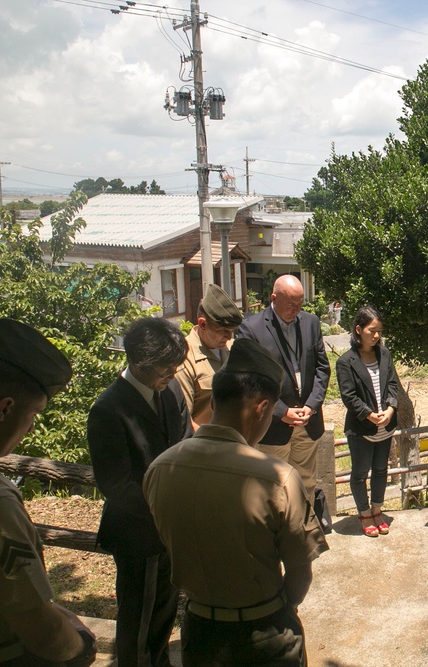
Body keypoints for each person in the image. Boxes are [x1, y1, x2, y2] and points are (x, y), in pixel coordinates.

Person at [144, 339, 328, 666]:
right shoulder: (276, 478)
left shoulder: (160, 469)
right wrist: (283, 609)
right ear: (261, 407)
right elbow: (301, 571)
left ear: (214, 400)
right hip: (265, 633)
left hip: (199, 632)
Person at [88, 317, 192, 667]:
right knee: (139, 615)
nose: (173, 375)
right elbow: (115, 484)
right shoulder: (107, 409)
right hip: (138, 531)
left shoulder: (172, 391)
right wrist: (164, 508)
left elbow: (184, 445)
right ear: (139, 363)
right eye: (167, 368)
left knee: (165, 609)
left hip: (172, 529)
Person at [0, 319, 97, 667]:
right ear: (4, 409)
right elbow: (38, 627)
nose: (33, 426)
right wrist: (80, 645)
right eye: (34, 412)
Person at [237, 274, 332, 531]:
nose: (295, 310)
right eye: (290, 304)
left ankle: (303, 535)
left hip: (307, 420)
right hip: (273, 425)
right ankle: (274, 538)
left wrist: (311, 406)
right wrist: (281, 411)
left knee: (305, 482)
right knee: (272, 486)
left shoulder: (311, 323)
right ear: (273, 298)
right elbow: (249, 379)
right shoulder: (251, 329)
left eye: (300, 303)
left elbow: (322, 369)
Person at [335, 305, 402, 537]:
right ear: (358, 329)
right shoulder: (346, 361)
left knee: (381, 470)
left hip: (385, 425)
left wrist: (391, 409)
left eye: (379, 331)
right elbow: (348, 396)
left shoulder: (385, 354)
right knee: (360, 472)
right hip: (362, 427)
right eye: (371, 331)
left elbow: (393, 384)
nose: (376, 336)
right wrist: (369, 414)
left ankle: (377, 511)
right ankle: (363, 513)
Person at [175, 284, 243, 430]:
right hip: (206, 446)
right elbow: (184, 420)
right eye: (223, 330)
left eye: (232, 331)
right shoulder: (185, 360)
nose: (229, 336)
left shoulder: (233, 349)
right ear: (203, 324)